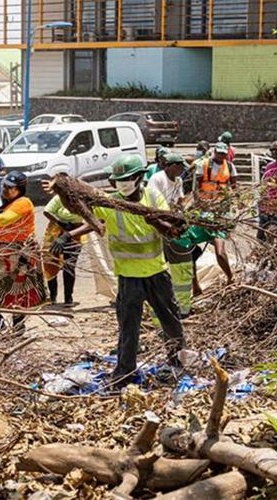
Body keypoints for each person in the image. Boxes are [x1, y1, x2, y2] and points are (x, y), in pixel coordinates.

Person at [48, 155, 186, 386]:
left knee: (170, 321)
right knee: (128, 327)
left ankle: (177, 364)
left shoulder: (152, 197)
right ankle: (124, 372)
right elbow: (92, 221)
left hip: (156, 274)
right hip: (128, 277)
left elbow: (171, 229)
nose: (123, 184)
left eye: (128, 178)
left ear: (139, 177)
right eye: (119, 180)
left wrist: (155, 221)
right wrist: (68, 234)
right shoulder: (109, 203)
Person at [0, 171, 46, 334]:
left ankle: (18, 325)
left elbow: (5, 220)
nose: (6, 189)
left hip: (20, 251)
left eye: (10, 188)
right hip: (2, 251)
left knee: (17, 288)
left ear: (19, 189)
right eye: (4, 186)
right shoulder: (5, 205)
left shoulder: (23, 202)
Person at [148, 153, 195, 317]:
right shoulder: (157, 179)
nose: (182, 171)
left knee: (179, 264)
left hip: (173, 224)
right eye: (180, 167)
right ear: (172, 166)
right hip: (162, 225)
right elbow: (155, 205)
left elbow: (180, 202)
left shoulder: (178, 181)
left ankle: (182, 306)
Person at [195, 142, 236, 284]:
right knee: (209, 239)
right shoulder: (204, 164)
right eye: (219, 153)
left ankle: (230, 276)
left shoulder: (229, 166)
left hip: (221, 209)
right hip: (205, 208)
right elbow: (197, 186)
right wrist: (200, 204)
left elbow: (234, 186)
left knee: (220, 240)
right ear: (214, 152)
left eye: (223, 153)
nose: (221, 156)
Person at [43, 177, 86, 307]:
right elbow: (47, 211)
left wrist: (71, 227)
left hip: (75, 233)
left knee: (69, 265)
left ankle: (68, 298)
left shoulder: (80, 198)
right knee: (51, 262)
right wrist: (60, 222)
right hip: (56, 231)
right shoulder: (58, 198)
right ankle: (53, 296)